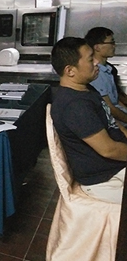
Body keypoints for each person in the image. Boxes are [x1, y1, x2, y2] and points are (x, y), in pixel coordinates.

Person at [50, 37, 127, 204]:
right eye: (91, 59)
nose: (97, 63)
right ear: (70, 71)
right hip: (105, 179)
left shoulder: (86, 89)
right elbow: (109, 150)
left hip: (117, 165)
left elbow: (112, 122)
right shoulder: (75, 106)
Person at [85, 27, 127, 127]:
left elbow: (116, 101)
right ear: (97, 47)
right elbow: (110, 108)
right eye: (111, 43)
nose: (114, 46)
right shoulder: (96, 74)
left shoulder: (108, 70)